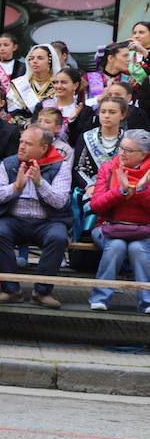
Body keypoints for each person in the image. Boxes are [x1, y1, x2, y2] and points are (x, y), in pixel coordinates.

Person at [0, 125, 73, 307]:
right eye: (21, 142)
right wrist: (15, 187)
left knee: (58, 237)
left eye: (28, 143)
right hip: (13, 219)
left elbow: (59, 201)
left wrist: (40, 182)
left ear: (43, 148)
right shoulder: (9, 163)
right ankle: (11, 290)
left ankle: (42, 292)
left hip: (47, 221)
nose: (22, 147)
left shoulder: (60, 166)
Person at [86, 129, 150, 314]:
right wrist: (120, 192)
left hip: (143, 230)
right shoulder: (108, 168)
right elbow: (96, 205)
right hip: (108, 228)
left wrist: (140, 190)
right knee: (116, 246)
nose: (122, 153)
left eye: (129, 150)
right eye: (121, 148)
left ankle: (146, 302)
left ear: (144, 154)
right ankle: (100, 298)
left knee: (138, 249)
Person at [7, 43, 62, 124]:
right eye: (32, 58)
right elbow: (13, 111)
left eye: (40, 58)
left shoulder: (59, 83)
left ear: (50, 61)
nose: (34, 61)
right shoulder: (19, 84)